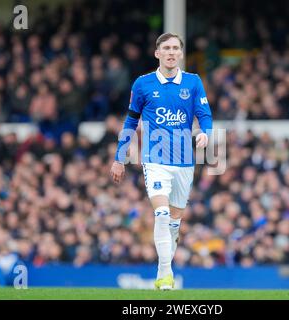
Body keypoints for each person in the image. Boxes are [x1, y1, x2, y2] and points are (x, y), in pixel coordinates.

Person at [110, 33, 212, 290]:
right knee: (162, 214)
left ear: (180, 54)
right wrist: (119, 158)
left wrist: (206, 134)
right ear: (157, 53)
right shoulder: (143, 84)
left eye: (175, 48)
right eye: (166, 48)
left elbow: (204, 113)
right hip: (155, 160)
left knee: (175, 223)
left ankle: (165, 268)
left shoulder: (193, 82)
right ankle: (164, 274)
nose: (171, 52)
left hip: (184, 163)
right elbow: (131, 122)